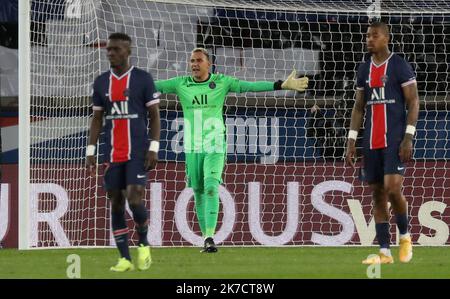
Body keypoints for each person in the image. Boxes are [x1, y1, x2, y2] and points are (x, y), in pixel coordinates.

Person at [155, 48, 308, 252]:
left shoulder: (222, 82)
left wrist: (280, 84)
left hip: (215, 145)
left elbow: (248, 87)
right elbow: (151, 85)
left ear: (208, 64)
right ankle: (206, 237)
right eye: (192, 60)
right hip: (192, 147)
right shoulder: (180, 83)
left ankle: (210, 238)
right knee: (198, 191)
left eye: (199, 60)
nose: (194, 64)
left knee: (211, 187)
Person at [345, 22, 419, 264]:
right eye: (367, 36)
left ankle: (406, 236)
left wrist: (409, 136)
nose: (369, 39)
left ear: (386, 38)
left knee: (392, 188)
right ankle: (385, 252)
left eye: (374, 36)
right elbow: (358, 107)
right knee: (377, 193)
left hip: (395, 139)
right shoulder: (364, 68)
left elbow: (414, 100)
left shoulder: (399, 65)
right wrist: (352, 139)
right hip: (371, 140)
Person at [86, 32, 161, 272]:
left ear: (128, 51)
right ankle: (125, 259)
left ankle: (143, 239)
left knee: (134, 198)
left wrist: (153, 147)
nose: (111, 53)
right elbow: (97, 118)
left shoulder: (143, 79)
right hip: (112, 154)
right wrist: (91, 149)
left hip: (138, 153)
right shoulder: (100, 82)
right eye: (108, 49)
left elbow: (154, 116)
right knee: (116, 203)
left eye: (116, 49)